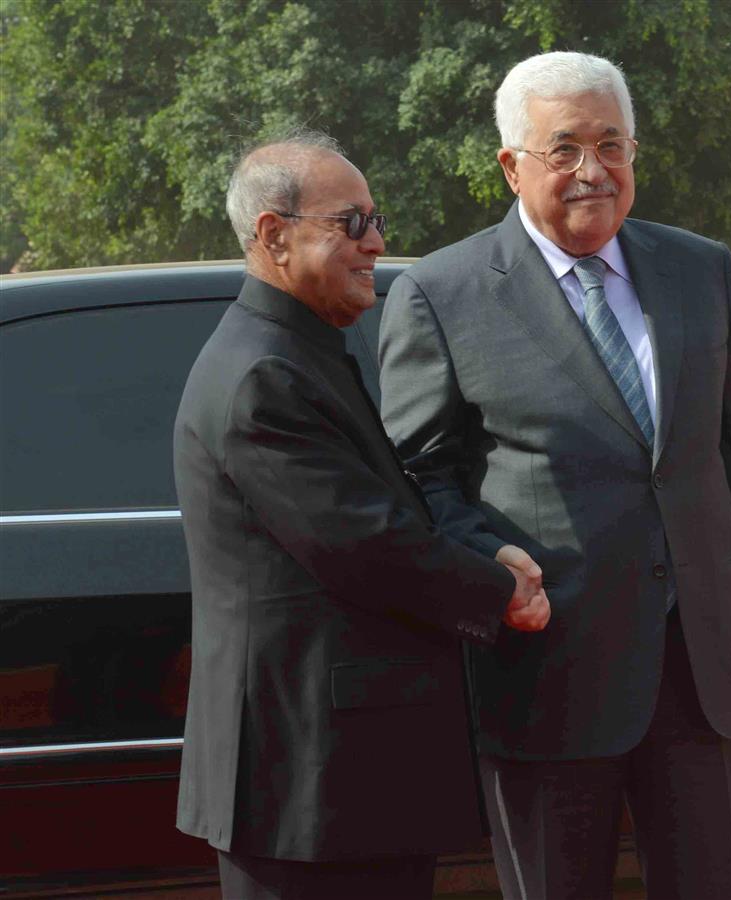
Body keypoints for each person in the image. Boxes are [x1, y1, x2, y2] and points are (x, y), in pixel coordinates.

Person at [378, 52, 731, 899]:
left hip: (700, 670)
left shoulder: (700, 269)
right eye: (563, 148)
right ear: (511, 165)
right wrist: (482, 563)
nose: (592, 171)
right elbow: (417, 478)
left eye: (612, 145)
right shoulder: (442, 292)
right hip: (547, 675)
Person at [173, 130, 551, 900]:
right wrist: (497, 588)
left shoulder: (298, 350)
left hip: (342, 782)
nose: (376, 243)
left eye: (377, 220)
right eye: (352, 223)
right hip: (310, 783)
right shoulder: (263, 374)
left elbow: (385, 508)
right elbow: (365, 546)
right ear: (274, 235)